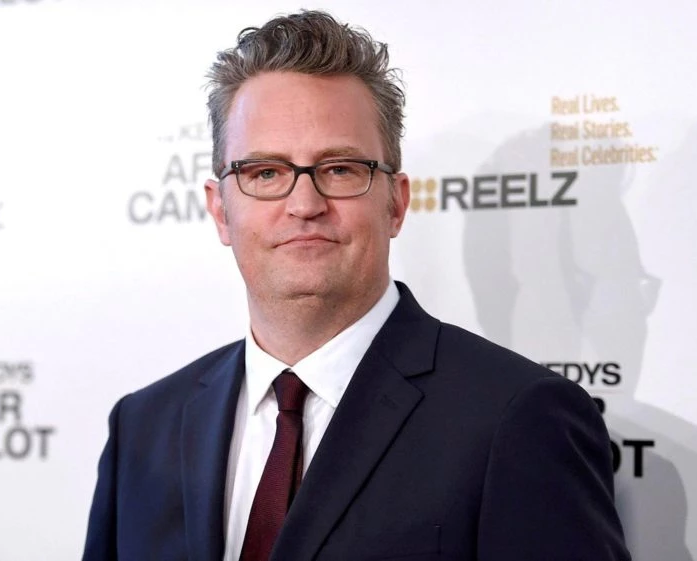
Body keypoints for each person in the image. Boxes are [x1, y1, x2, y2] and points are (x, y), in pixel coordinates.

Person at [82, 10, 631, 561]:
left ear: (395, 203)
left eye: (340, 169)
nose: (304, 204)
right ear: (221, 210)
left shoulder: (517, 418)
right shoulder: (143, 428)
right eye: (265, 173)